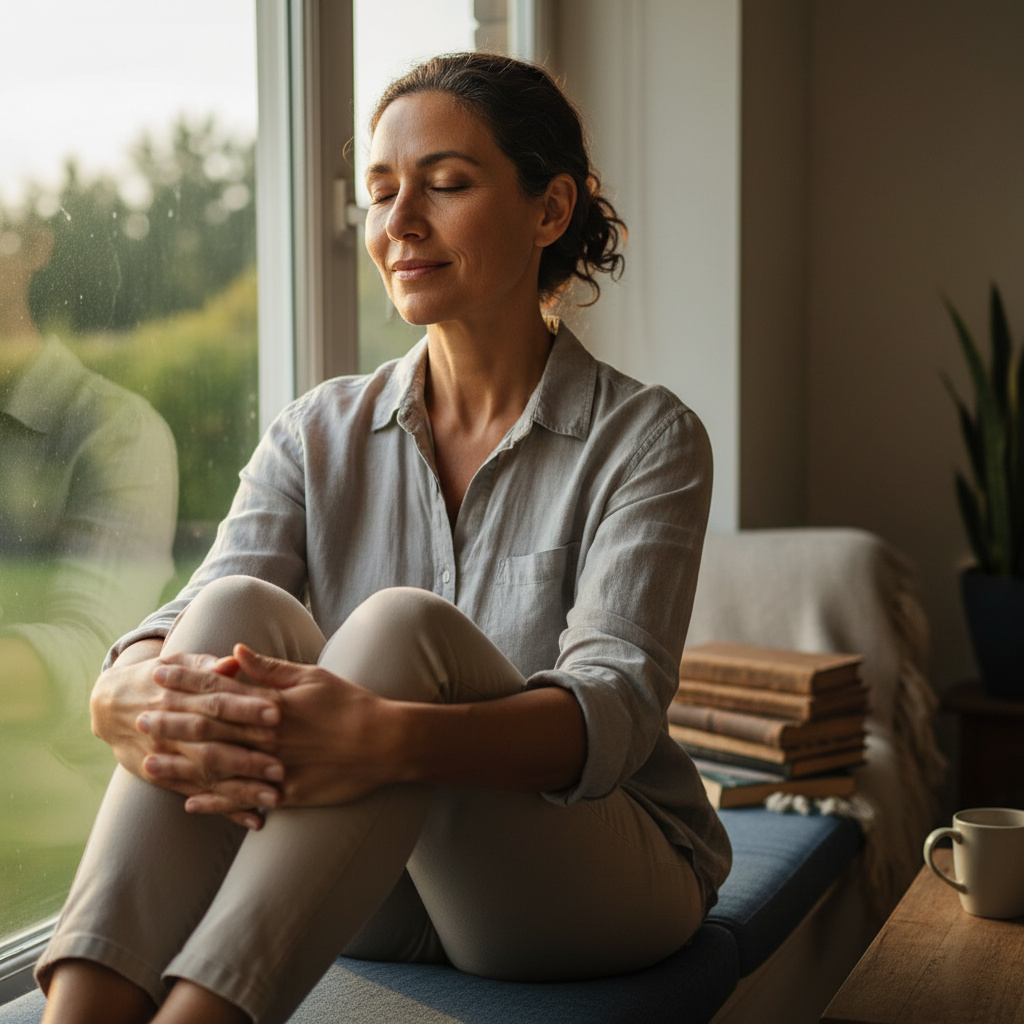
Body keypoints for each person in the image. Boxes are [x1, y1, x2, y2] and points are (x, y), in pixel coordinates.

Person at [35, 53, 731, 1024]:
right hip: (372, 875)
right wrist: (124, 690)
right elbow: (200, 613)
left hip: (583, 880)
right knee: (236, 613)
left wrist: (389, 735)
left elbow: (609, 714)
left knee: (402, 630)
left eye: (444, 185)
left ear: (548, 209)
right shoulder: (315, 431)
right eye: (378, 191)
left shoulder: (648, 438)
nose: (399, 222)